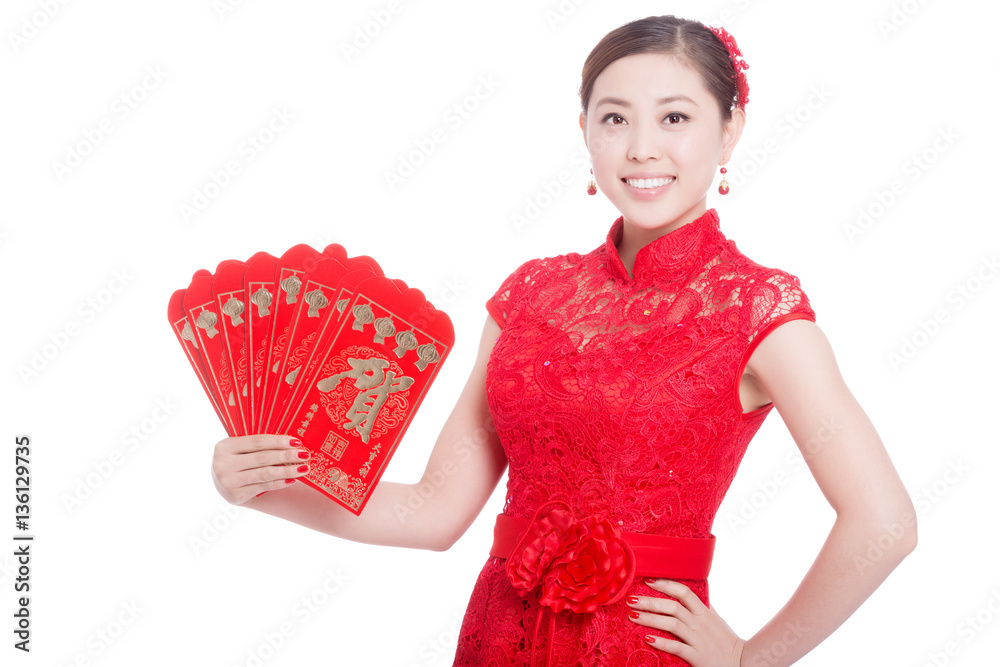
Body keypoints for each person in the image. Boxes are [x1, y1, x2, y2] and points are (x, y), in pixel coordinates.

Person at [211, 14, 917, 666]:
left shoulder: (757, 308)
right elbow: (434, 511)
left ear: (730, 130)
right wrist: (265, 490)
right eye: (615, 119)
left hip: (640, 647)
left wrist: (748, 657)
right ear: (585, 130)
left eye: (676, 117)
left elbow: (884, 522)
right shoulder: (530, 294)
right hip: (498, 633)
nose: (642, 148)